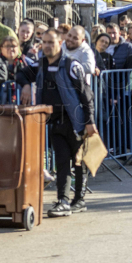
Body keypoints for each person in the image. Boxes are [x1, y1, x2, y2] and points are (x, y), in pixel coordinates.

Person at [19, 29, 97, 217]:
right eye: (44, 42)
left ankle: (79, 199)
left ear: (59, 43)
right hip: (55, 122)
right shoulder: (40, 65)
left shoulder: (71, 65)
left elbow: (86, 95)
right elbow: (22, 74)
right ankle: (62, 201)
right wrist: (27, 85)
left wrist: (89, 121)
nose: (47, 45)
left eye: (51, 42)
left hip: (75, 121)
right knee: (62, 162)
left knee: (79, 162)